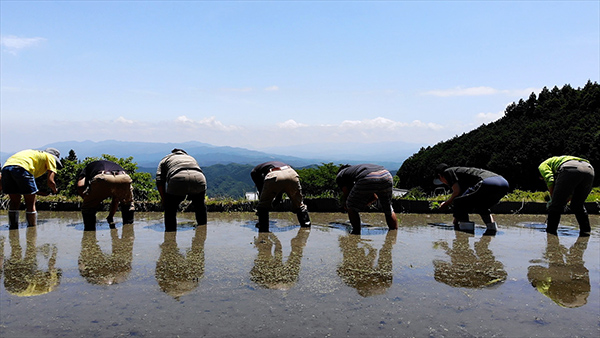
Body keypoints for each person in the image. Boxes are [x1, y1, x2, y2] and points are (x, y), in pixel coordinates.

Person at [434, 163, 509, 232]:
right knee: (482, 206)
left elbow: (456, 192)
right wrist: (456, 218)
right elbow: (461, 197)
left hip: (487, 182)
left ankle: (465, 233)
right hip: (503, 183)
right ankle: (491, 229)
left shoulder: (447, 172)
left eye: (441, 180)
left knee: (458, 201)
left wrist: (446, 203)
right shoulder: (462, 175)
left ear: (440, 176)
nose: (444, 183)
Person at [1, 148, 62, 229]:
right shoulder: (50, 157)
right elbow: (51, 181)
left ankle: (12, 226)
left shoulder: (34, 154)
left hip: (6, 168)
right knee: (30, 203)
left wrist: (38, 192)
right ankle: (32, 229)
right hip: (23, 168)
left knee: (15, 201)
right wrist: (54, 190)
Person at [538, 156, 595, 236]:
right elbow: (570, 192)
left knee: (555, 206)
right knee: (577, 205)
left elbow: (550, 180)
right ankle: (586, 232)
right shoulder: (557, 162)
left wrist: (553, 199)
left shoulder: (542, 166)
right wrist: (565, 200)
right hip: (589, 169)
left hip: (570, 168)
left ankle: (551, 234)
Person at [336, 164, 398, 234]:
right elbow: (374, 197)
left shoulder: (340, 175)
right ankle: (394, 232)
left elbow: (346, 193)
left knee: (350, 205)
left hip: (368, 177)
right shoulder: (356, 170)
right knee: (388, 207)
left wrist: (348, 206)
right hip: (386, 175)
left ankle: (356, 233)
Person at [250, 161, 311, 232]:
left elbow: (261, 189)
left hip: (274, 174)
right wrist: (276, 200)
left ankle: (263, 231)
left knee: (263, 206)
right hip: (291, 173)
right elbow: (280, 189)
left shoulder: (254, 172)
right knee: (299, 204)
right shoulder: (272, 164)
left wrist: (264, 205)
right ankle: (306, 227)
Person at [156, 149, 207, 231]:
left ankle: (170, 237)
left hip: (177, 179)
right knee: (200, 206)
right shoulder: (190, 158)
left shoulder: (165, 160)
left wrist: (164, 199)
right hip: (199, 178)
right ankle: (202, 230)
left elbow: (159, 181)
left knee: (170, 210)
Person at [77, 160, 135, 230]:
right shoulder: (114, 165)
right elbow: (116, 199)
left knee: (88, 208)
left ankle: (89, 236)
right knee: (127, 205)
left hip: (103, 177)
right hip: (123, 177)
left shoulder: (86, 168)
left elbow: (80, 185)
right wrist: (110, 217)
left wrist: (88, 200)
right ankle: (128, 234)